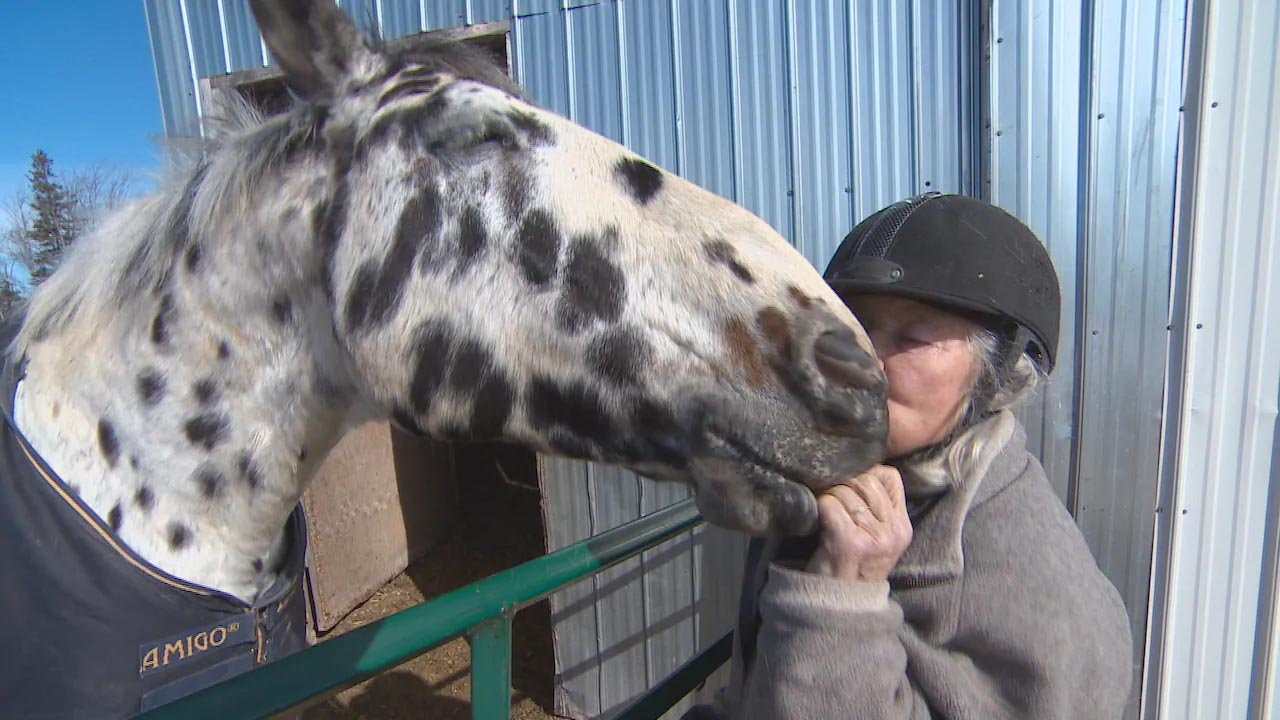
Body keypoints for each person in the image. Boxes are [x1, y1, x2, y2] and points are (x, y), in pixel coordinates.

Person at [688, 193, 1133, 719]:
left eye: (913, 337)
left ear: (994, 377)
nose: (855, 358)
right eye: (853, 324)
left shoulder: (1047, 597)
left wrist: (841, 604)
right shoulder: (828, 479)